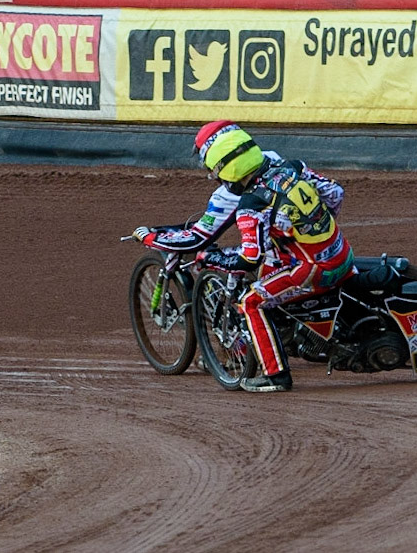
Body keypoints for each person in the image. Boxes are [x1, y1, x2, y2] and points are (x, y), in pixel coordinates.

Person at [133, 121, 354, 392]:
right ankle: (278, 338)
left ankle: (276, 375)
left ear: (228, 170)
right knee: (272, 264)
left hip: (310, 270)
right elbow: (335, 194)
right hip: (342, 252)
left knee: (251, 302)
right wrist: (309, 227)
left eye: (216, 172)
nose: (215, 178)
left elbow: (248, 258)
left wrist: (205, 258)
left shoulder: (250, 205)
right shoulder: (291, 166)